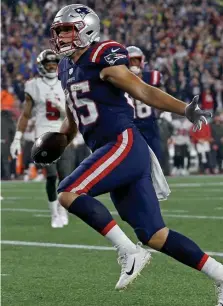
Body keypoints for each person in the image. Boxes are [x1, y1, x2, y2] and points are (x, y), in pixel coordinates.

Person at [49, 4, 223, 302]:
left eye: (68, 29)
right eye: (59, 31)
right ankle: (221, 274)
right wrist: (57, 143)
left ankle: (128, 251)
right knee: (155, 235)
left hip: (122, 143)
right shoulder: (66, 68)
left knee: (69, 192)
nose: (62, 37)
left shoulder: (103, 53)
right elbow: (73, 118)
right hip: (109, 149)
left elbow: (141, 90)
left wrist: (185, 109)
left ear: (86, 28)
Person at [10, 49, 72, 228]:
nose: (52, 67)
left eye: (54, 64)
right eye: (49, 64)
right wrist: (17, 138)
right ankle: (54, 213)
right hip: (43, 135)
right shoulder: (34, 85)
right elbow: (26, 114)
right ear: (42, 66)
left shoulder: (65, 83)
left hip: (64, 133)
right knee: (51, 176)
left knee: (66, 177)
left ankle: (63, 211)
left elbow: (76, 109)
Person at [126, 46, 162, 161]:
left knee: (155, 160)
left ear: (141, 61)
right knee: (135, 160)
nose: (133, 63)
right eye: (130, 60)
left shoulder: (152, 77)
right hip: (132, 125)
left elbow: (162, 96)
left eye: (135, 60)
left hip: (149, 123)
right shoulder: (120, 81)